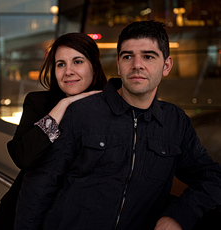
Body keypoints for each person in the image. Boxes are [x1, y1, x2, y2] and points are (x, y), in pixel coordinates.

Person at [14, 21, 221, 230]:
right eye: (128, 56)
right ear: (119, 65)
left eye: (148, 56)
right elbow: (39, 187)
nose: (137, 65)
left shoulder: (175, 122)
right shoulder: (81, 112)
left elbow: (212, 178)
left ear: (166, 66)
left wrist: (179, 216)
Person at [0, 32, 107, 230]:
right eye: (60, 64)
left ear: (94, 66)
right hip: (22, 213)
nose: (68, 71)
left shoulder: (109, 108)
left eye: (78, 61)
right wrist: (63, 105)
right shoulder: (39, 103)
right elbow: (23, 156)